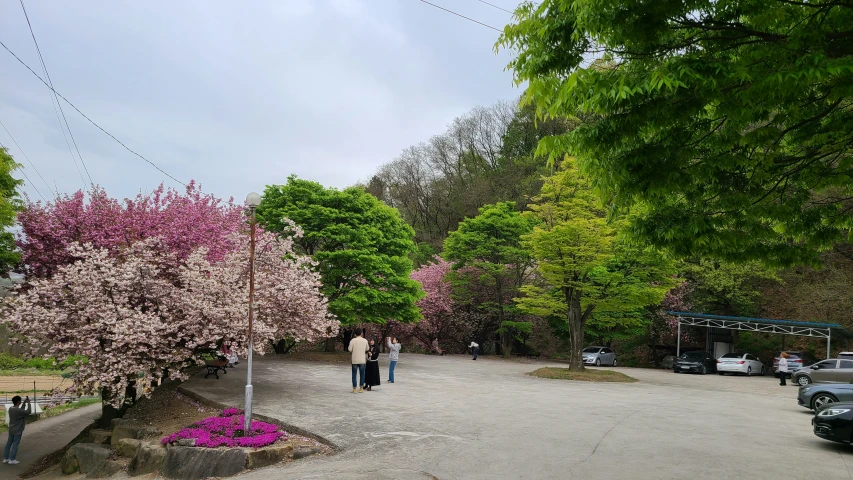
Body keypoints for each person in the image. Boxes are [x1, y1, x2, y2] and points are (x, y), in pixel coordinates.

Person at [4, 395, 32, 465]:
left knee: (8, 444)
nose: (21, 402)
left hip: (11, 429)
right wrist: (28, 403)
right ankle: (12, 459)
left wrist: (24, 403)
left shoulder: (11, 409)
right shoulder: (18, 410)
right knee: (15, 445)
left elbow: (21, 411)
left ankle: (6, 458)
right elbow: (28, 412)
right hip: (18, 430)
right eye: (20, 401)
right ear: (18, 401)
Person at [348, 328, 370, 393]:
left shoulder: (353, 340)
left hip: (354, 359)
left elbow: (349, 349)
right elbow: (367, 348)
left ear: (355, 334)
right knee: (362, 374)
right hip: (362, 360)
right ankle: (361, 388)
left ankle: (354, 388)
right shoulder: (365, 340)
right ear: (361, 334)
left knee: (354, 374)